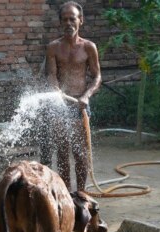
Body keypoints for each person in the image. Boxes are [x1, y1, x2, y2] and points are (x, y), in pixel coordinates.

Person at [43, 1, 101, 192]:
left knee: (81, 154)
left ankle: (81, 193)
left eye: (72, 19)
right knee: (61, 153)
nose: (69, 23)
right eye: (65, 19)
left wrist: (86, 95)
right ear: (60, 23)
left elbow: (97, 76)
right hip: (60, 104)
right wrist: (56, 91)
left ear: (80, 21)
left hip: (80, 105)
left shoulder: (88, 47)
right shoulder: (53, 47)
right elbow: (51, 74)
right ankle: (66, 193)